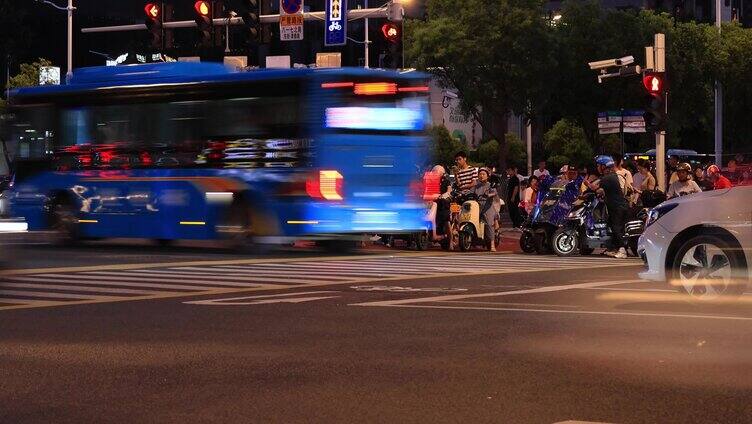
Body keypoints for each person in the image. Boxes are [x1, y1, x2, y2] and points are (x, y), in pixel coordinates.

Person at [592, 155, 630, 259]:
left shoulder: (608, 178)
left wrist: (589, 186)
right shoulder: (612, 176)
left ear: (604, 166)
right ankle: (614, 248)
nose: (598, 167)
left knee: (616, 228)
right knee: (611, 226)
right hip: (615, 206)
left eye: (599, 165)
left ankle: (622, 250)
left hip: (618, 207)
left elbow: (598, 189)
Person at [472, 168, 500, 251]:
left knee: (489, 223)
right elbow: (469, 192)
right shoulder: (476, 186)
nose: (481, 176)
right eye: (480, 174)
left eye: (483, 174)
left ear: (487, 176)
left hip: (488, 207)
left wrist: (489, 195)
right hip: (477, 207)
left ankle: (492, 244)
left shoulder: (490, 185)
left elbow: (494, 192)